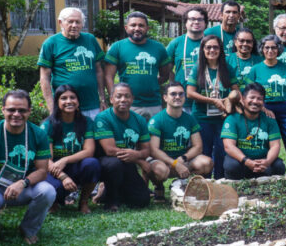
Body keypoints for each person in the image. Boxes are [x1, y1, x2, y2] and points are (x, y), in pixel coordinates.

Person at [0, 89, 55, 244]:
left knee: (47, 191)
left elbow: (42, 171)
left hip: (23, 187)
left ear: (29, 111)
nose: (16, 114)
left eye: (22, 110)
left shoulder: (39, 134)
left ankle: (28, 229)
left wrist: (23, 183)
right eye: (11, 110)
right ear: (3, 110)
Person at [185, 35, 240, 180]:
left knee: (222, 151)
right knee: (204, 151)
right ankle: (205, 183)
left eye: (215, 47)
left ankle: (220, 181)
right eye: (208, 47)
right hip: (202, 118)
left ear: (220, 50)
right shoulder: (198, 68)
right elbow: (190, 93)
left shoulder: (227, 68)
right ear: (202, 49)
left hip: (223, 118)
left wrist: (230, 99)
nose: (212, 50)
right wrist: (213, 100)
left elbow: (236, 91)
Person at [93, 83, 152, 211]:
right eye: (118, 96)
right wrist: (139, 160)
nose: (123, 99)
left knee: (142, 200)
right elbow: (110, 150)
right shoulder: (103, 118)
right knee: (115, 164)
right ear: (111, 99)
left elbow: (147, 149)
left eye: (127, 96)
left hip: (128, 162)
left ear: (132, 99)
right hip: (106, 162)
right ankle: (111, 200)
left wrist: (137, 155)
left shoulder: (139, 120)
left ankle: (107, 192)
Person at [42, 85, 100, 214]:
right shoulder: (48, 125)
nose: (69, 101)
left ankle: (83, 202)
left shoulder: (87, 122)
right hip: (53, 169)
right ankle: (55, 202)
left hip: (75, 165)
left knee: (92, 164)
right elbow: (46, 159)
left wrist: (65, 160)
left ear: (78, 101)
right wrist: (63, 177)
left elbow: (89, 151)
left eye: (72, 97)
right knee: (54, 189)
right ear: (57, 102)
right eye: (63, 98)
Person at [38, 7, 105, 119]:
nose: (74, 25)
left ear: (82, 24)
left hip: (92, 107)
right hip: (65, 108)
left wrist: (102, 99)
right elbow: (44, 78)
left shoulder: (90, 39)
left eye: (78, 22)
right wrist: (52, 108)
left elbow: (99, 71)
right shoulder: (51, 43)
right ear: (61, 22)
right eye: (70, 21)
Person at [103, 11, 172, 119]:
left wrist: (150, 82)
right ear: (126, 28)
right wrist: (115, 97)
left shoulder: (158, 48)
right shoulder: (117, 47)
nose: (137, 28)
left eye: (141, 25)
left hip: (153, 104)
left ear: (147, 28)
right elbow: (108, 76)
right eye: (133, 25)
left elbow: (165, 75)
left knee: (153, 130)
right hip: (127, 104)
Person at [148, 82, 212, 196]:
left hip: (182, 160)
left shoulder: (190, 119)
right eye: (173, 94)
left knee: (206, 163)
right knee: (160, 170)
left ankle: (181, 183)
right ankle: (159, 186)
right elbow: (154, 150)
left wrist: (182, 158)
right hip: (163, 162)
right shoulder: (157, 120)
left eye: (181, 94)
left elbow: (198, 147)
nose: (177, 97)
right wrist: (175, 163)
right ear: (165, 98)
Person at [252, 34, 286, 172]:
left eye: (273, 47)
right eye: (266, 47)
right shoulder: (256, 69)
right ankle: (264, 174)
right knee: (263, 145)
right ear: (262, 49)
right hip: (264, 110)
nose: (270, 51)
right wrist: (262, 108)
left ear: (279, 49)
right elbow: (249, 94)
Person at [222, 84, 286, 179]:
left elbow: (275, 145)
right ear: (243, 99)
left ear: (263, 102)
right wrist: (247, 161)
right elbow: (229, 146)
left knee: (279, 166)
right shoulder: (232, 119)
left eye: (259, 99)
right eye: (252, 97)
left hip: (262, 161)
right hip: (241, 161)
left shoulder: (270, 119)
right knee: (231, 166)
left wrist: (267, 162)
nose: (255, 101)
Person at [167, 7, 208, 87]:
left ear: (205, 23)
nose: (196, 22)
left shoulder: (212, 43)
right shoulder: (176, 43)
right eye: (192, 19)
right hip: (182, 92)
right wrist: (174, 83)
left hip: (206, 91)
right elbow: (165, 68)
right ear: (185, 23)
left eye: (200, 19)